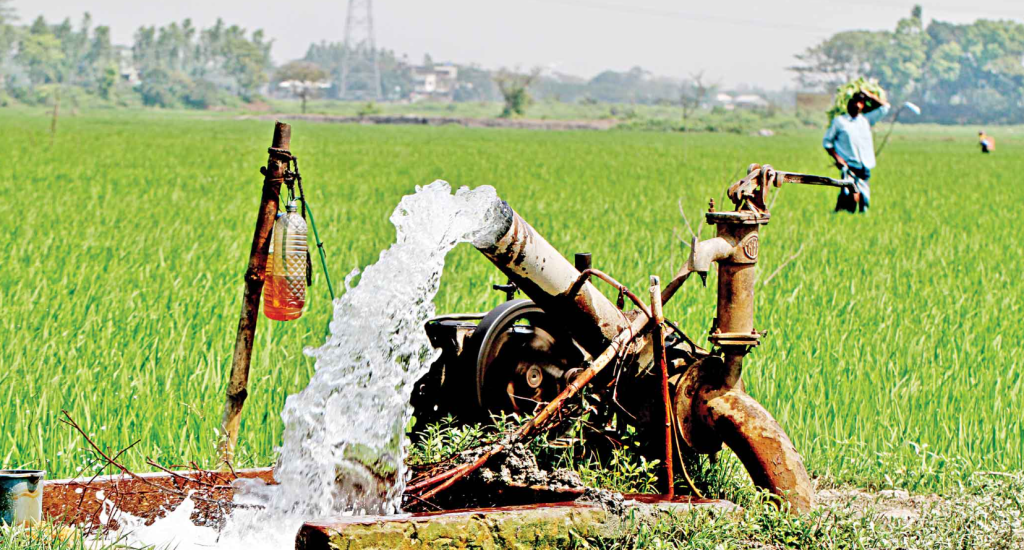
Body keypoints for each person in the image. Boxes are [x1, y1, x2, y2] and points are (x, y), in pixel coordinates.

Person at [822, 90, 890, 213]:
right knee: (849, 194)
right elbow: (827, 143)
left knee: (864, 197)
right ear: (848, 104)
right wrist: (838, 158)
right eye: (854, 102)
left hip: (864, 164)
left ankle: (859, 216)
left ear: (863, 105)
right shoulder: (839, 122)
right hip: (848, 165)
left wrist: (870, 95)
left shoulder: (866, 120)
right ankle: (841, 214)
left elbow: (885, 107)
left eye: (860, 102)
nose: (857, 105)